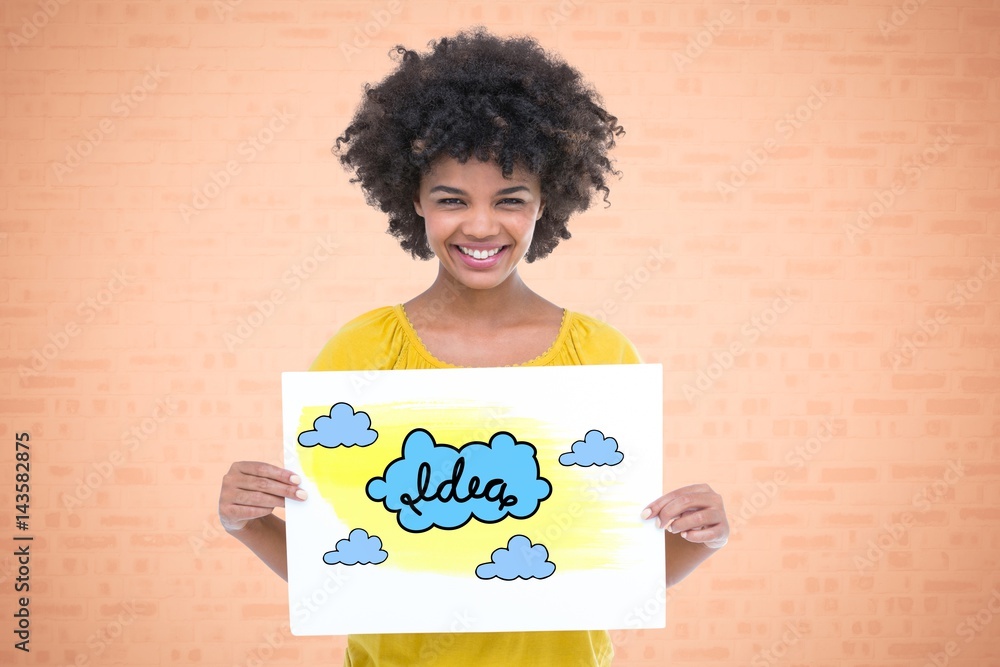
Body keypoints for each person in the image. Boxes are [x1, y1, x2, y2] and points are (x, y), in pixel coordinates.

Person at [219, 27, 729, 666]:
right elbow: (341, 572)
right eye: (452, 200)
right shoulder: (361, 352)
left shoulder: (600, 354)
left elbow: (615, 574)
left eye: (510, 200)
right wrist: (246, 523)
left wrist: (704, 537)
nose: (482, 226)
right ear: (414, 200)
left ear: (545, 202)